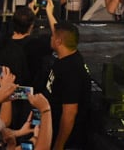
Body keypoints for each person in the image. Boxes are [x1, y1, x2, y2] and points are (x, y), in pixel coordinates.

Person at [44, 20, 90, 150]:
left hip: (67, 141)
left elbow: (69, 113)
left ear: (58, 42)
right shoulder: (65, 58)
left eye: (53, 36)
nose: (50, 38)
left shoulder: (71, 70)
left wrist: (59, 145)